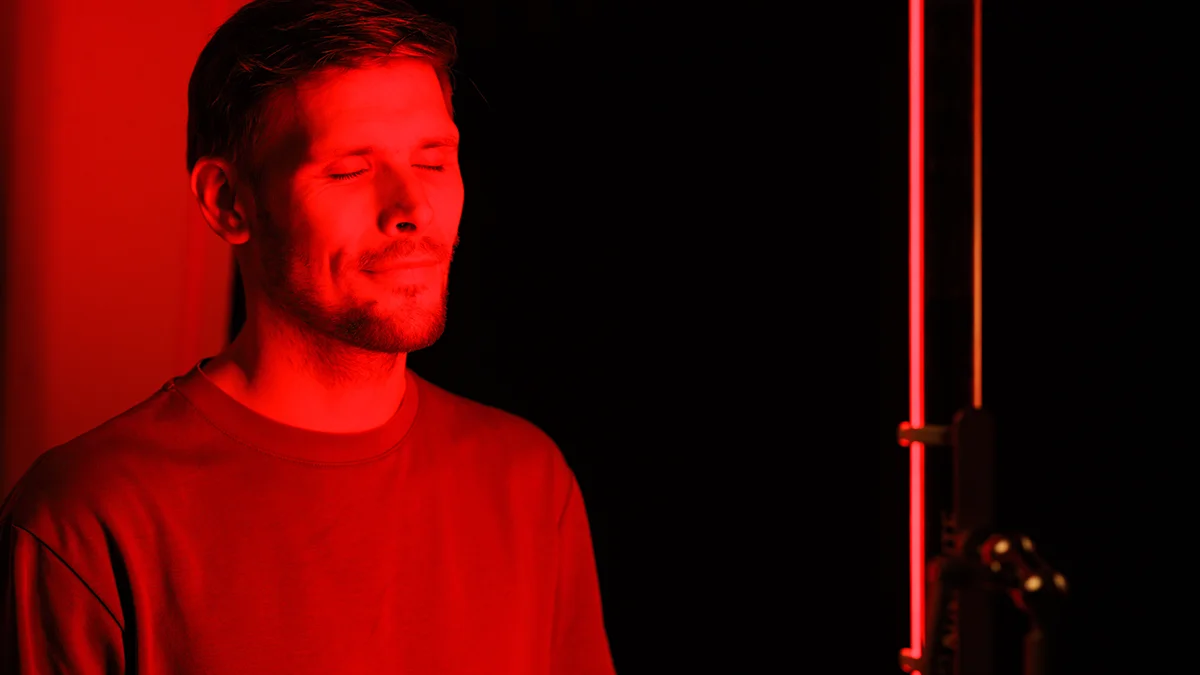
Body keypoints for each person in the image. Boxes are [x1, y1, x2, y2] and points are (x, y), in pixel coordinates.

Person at [0, 1, 615, 673]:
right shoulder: (85, 518)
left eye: (434, 161)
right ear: (228, 201)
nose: (413, 209)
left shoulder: (528, 482)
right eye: (351, 169)